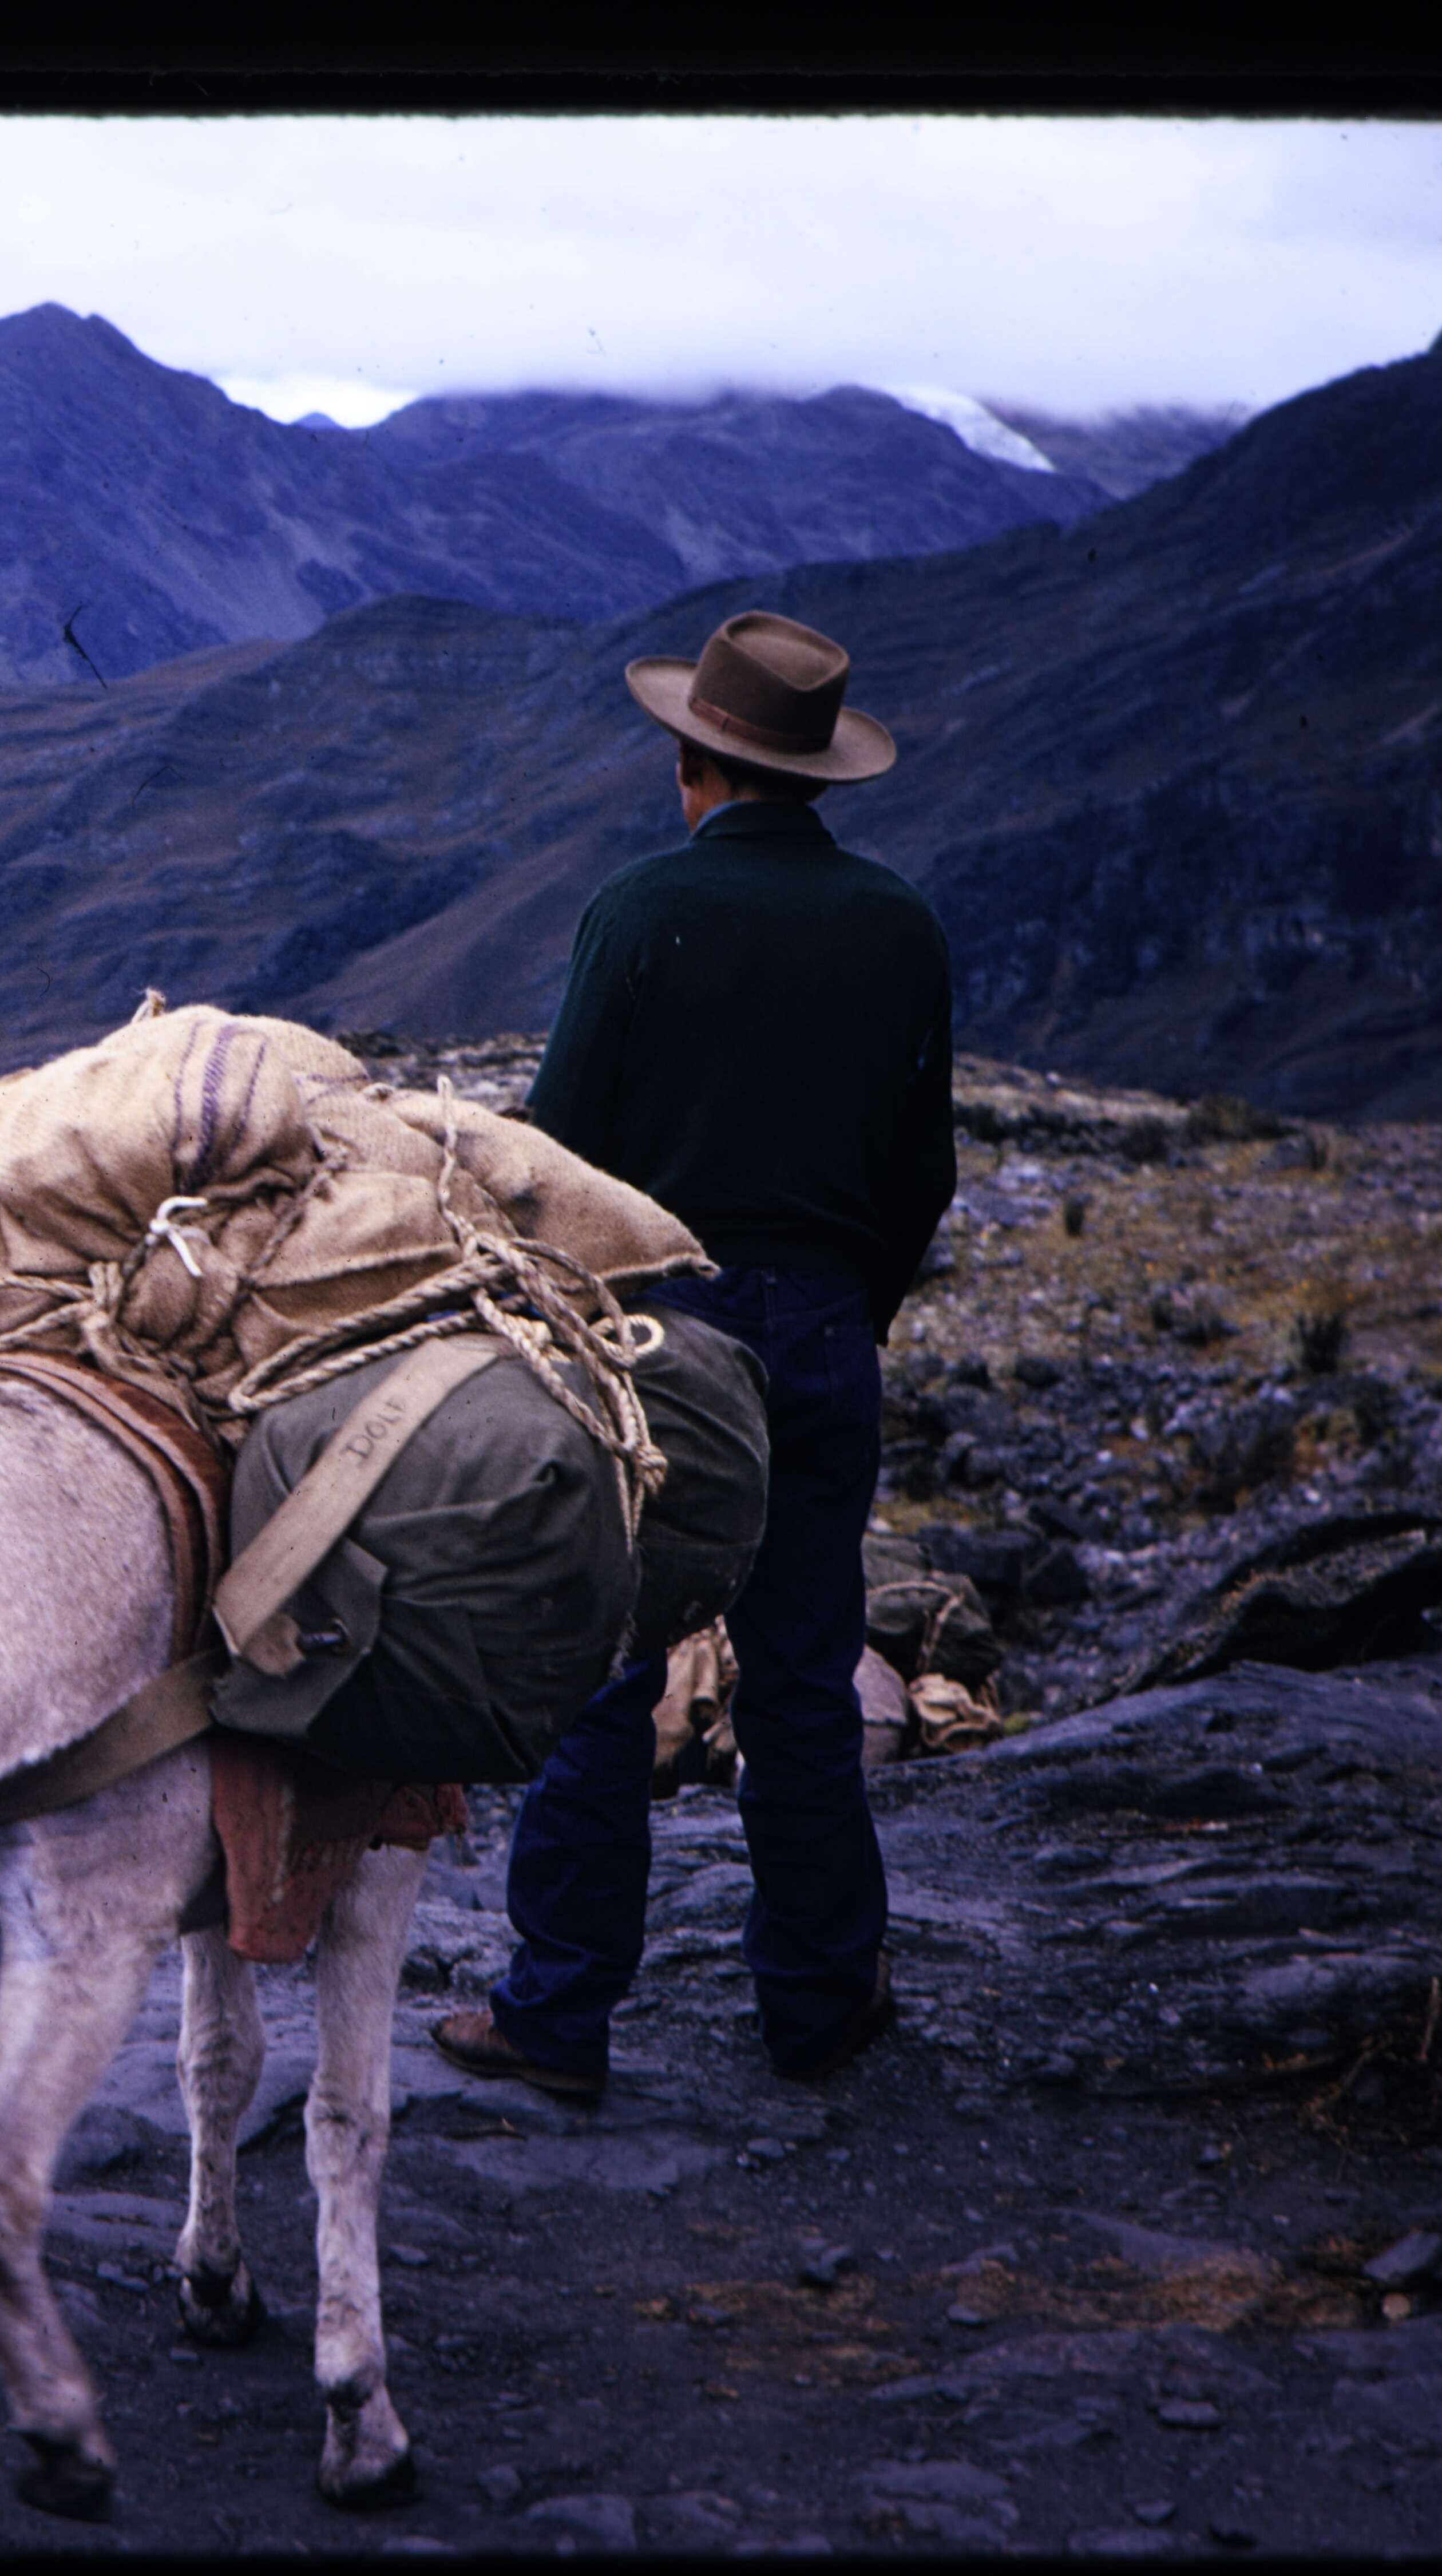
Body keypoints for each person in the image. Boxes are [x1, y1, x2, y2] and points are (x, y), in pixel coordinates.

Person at [434, 609, 953, 2102]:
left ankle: (556, 2014)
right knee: (802, 1673)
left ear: (693, 766)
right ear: (818, 772)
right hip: (825, 1330)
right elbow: (921, 1173)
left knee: (608, 1667)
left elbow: (553, 1153)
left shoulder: (638, 910)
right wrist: (849, 1311)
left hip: (661, 1336)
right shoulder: (898, 926)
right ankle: (817, 2001)